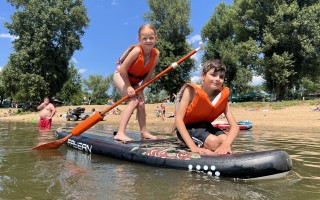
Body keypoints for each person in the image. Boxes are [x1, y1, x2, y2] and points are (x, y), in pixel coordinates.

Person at [174, 59, 239, 155]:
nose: (217, 79)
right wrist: (194, 148)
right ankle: (189, 143)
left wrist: (226, 144)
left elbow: (235, 126)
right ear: (203, 76)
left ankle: (207, 146)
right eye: (213, 75)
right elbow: (178, 120)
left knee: (226, 140)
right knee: (215, 143)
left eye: (221, 77)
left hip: (206, 127)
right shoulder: (191, 91)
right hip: (188, 128)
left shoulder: (222, 96)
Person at [113, 24, 159, 141]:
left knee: (141, 103)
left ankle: (144, 132)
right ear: (139, 39)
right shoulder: (136, 51)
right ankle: (120, 133)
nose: (148, 41)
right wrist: (128, 87)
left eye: (151, 38)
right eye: (144, 38)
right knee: (133, 101)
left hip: (136, 82)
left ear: (156, 38)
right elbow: (122, 69)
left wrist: (141, 89)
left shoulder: (156, 54)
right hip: (122, 76)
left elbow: (149, 75)